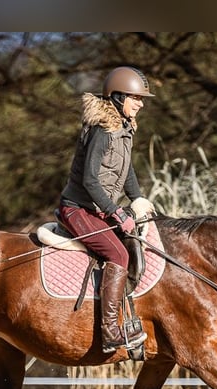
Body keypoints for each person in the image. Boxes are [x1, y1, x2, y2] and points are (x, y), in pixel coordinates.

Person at [58, 66, 155, 353]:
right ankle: (111, 331)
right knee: (119, 254)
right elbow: (89, 180)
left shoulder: (124, 129)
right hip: (78, 209)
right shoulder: (103, 130)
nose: (140, 104)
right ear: (118, 97)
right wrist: (116, 212)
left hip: (96, 209)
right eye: (136, 98)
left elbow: (126, 171)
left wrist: (137, 201)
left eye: (141, 99)